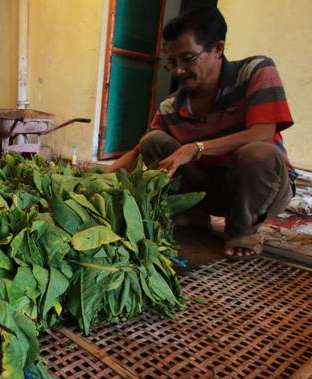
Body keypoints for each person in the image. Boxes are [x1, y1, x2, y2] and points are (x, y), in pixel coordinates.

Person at [108, 6, 296, 261]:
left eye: (188, 59)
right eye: (172, 63)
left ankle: (243, 231)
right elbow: (138, 152)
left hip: (261, 188)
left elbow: (263, 132)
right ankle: (197, 213)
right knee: (153, 141)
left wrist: (195, 148)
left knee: (258, 153)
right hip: (211, 189)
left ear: (217, 49)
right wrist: (90, 180)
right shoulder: (171, 106)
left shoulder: (255, 72)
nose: (178, 71)